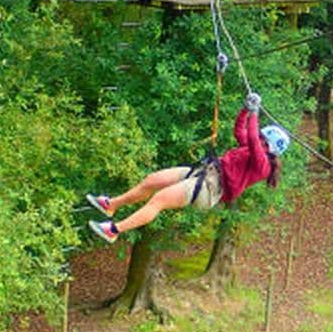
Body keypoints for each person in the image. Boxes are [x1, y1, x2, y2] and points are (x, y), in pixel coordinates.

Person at [87, 93, 289, 244]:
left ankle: (114, 230)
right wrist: (246, 110)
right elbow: (240, 131)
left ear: (268, 146)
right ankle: (112, 205)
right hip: (206, 173)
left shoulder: (262, 165)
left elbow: (253, 139)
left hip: (209, 190)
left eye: (263, 138)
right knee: (151, 181)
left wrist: (254, 114)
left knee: (158, 200)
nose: (259, 139)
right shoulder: (253, 149)